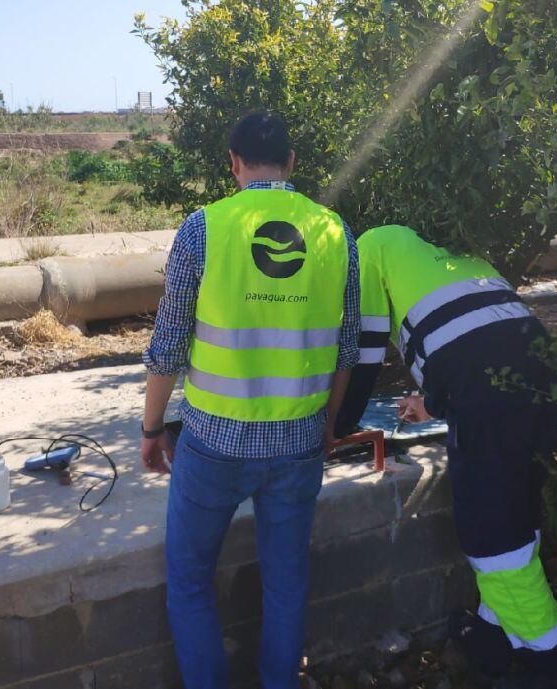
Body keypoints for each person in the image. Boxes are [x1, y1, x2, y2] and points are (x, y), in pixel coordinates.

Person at [141, 111, 360, 689]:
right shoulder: (336, 234)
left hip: (213, 442)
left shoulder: (203, 228)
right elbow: (347, 349)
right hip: (299, 443)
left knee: (189, 581)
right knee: (286, 586)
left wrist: (151, 427)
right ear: (291, 164)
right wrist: (328, 426)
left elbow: (167, 347)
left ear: (233, 163)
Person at [334, 225, 557, 688]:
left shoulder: (364, 251)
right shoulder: (448, 253)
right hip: (540, 387)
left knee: (492, 538)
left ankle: (552, 659)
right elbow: (475, 338)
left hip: (489, 404)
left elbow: (364, 351)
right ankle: (492, 639)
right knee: (515, 513)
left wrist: (338, 425)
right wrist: (431, 402)